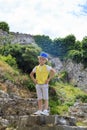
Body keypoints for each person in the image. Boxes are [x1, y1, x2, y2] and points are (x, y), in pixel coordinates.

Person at [30, 52, 56, 116]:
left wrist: (49, 79)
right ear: (39, 59)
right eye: (40, 59)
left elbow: (54, 72)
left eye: (43, 59)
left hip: (44, 84)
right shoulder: (36, 67)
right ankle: (39, 110)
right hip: (38, 84)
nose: (41, 60)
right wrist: (34, 80)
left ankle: (45, 110)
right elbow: (31, 74)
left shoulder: (47, 67)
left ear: (45, 61)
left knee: (46, 97)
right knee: (39, 98)